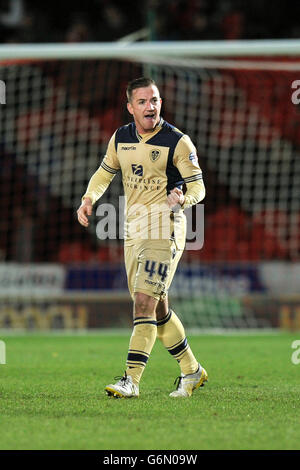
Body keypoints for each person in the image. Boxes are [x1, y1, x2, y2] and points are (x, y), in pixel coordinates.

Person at [77, 77, 207, 398]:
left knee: (143, 301)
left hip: (166, 230)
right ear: (130, 107)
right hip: (133, 232)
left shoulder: (178, 142)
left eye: (155, 100)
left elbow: (198, 187)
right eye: (143, 102)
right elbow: (105, 172)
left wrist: (184, 199)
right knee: (158, 308)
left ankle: (131, 380)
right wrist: (89, 197)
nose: (151, 106)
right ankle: (191, 371)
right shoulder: (121, 138)